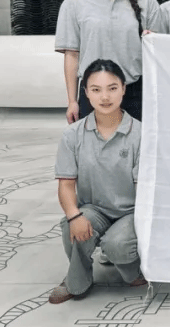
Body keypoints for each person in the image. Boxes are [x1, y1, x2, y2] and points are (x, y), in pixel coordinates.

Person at [50, 59, 148, 304]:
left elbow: (144, 191)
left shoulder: (141, 134)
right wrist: (75, 216)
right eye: (96, 89)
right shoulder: (72, 135)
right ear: (86, 93)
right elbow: (66, 184)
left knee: (117, 245)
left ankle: (132, 271)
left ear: (123, 89)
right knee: (70, 226)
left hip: (132, 211)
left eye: (112, 88)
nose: (105, 97)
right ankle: (77, 281)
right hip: (94, 208)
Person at [54, 0, 160, 122]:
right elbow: (72, 55)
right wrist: (72, 101)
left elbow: (158, 57)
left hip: (135, 94)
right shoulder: (74, 2)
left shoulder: (147, 1)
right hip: (92, 95)